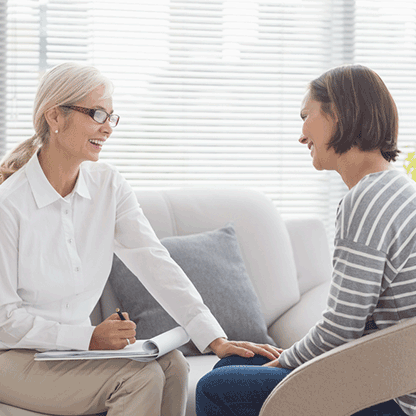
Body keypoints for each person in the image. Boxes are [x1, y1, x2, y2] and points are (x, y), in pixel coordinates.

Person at [0, 62, 282, 416]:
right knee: (141, 378)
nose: (108, 128)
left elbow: (154, 260)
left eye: (111, 117)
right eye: (97, 113)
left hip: (70, 353)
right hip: (13, 359)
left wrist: (214, 338)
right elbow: (5, 321)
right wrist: (88, 338)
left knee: (174, 364)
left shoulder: (108, 186)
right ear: (55, 117)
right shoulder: (8, 205)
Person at [196, 64, 416, 416]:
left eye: (306, 116)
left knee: (217, 388)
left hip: (394, 396)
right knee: (232, 368)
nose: (301, 135)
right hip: (386, 377)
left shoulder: (367, 199)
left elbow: (342, 327)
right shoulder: (395, 189)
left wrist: (284, 364)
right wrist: (286, 358)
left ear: (339, 116)